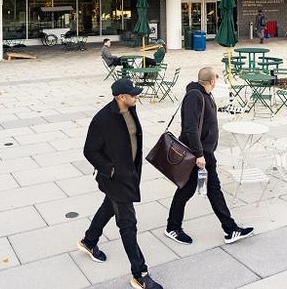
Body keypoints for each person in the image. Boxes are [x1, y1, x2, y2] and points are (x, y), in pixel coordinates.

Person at [79, 79, 164, 289]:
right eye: (133, 95)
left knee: (109, 206)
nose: (137, 97)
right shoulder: (102, 119)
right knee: (128, 224)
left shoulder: (131, 109)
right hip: (115, 179)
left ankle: (89, 241)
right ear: (120, 97)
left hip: (130, 174)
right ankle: (139, 274)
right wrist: (111, 170)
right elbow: (89, 150)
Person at [164, 67, 254, 246]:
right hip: (198, 154)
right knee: (207, 190)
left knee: (195, 190)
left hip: (204, 153)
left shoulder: (203, 94)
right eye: (216, 79)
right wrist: (199, 154)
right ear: (212, 81)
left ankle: (228, 228)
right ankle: (228, 229)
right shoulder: (195, 96)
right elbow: (190, 128)